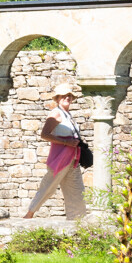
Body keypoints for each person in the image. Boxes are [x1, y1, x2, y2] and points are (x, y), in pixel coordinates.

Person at [24, 83, 86, 219]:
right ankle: (29, 214)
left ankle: (77, 221)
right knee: (48, 187)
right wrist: (66, 142)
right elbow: (44, 134)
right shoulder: (56, 114)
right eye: (64, 95)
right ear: (58, 98)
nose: (67, 98)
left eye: (69, 95)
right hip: (61, 159)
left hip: (73, 159)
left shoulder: (68, 115)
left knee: (77, 191)